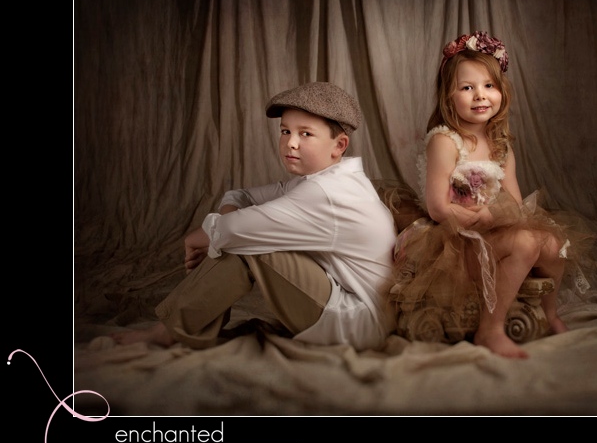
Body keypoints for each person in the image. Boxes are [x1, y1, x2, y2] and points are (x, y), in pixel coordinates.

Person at [114, 82, 398, 351]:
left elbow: (233, 231)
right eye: (285, 131)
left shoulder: (326, 192)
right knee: (244, 235)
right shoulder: (324, 179)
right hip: (354, 305)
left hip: (359, 323)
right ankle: (182, 325)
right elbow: (240, 196)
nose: (291, 143)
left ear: (339, 145)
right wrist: (225, 228)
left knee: (247, 242)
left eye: (306, 134)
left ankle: (171, 330)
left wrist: (202, 237)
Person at [389, 31, 588, 359]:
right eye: (467, 88)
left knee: (554, 245)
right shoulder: (445, 141)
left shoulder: (500, 145)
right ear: (448, 96)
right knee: (525, 243)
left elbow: (515, 202)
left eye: (488, 86)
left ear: (501, 91)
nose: (480, 95)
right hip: (455, 237)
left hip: (491, 226)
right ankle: (490, 330)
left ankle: (550, 313)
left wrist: (498, 217)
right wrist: (480, 219)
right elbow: (439, 208)